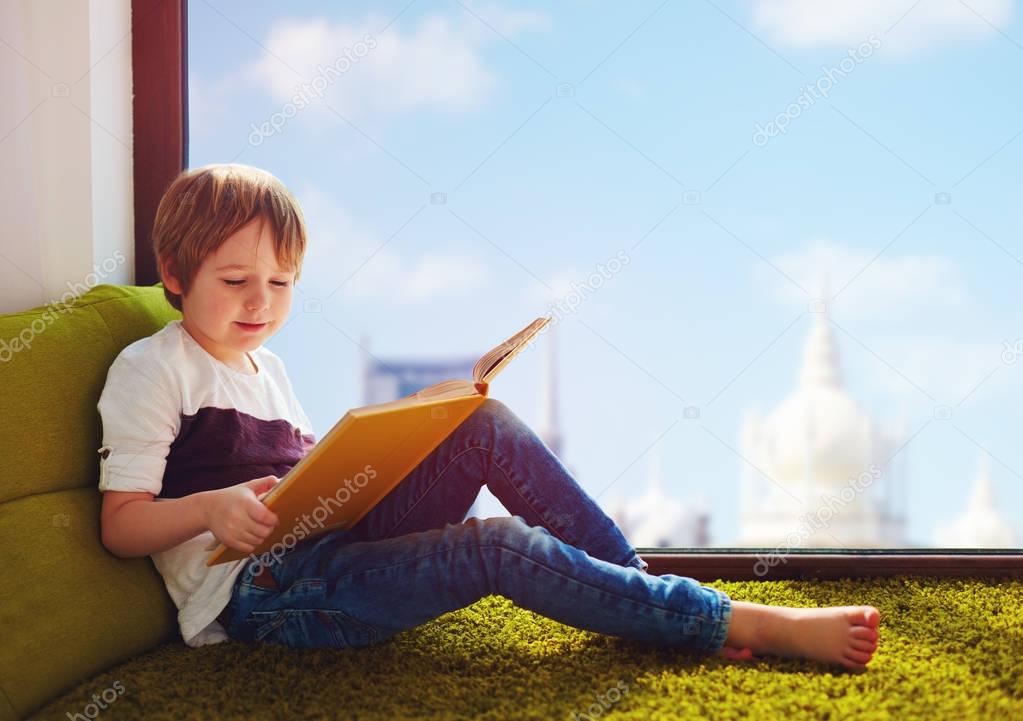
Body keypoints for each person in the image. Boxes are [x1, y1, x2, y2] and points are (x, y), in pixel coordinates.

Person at [97, 164, 880, 671]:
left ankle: (648, 598)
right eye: (235, 279)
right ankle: (725, 619)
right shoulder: (152, 368)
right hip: (263, 596)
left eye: (280, 281)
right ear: (174, 272)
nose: (260, 302)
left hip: (325, 543)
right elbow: (120, 525)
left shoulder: (267, 369)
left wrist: (400, 435)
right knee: (496, 547)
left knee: (482, 421)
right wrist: (208, 510)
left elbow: (310, 485)